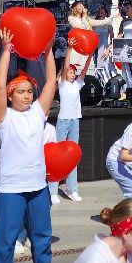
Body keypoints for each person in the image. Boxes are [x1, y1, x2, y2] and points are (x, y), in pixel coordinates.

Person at [0, 27, 58, 263]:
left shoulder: (38, 114)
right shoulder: (4, 118)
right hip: (11, 189)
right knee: (3, 244)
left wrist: (48, 50)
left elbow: (51, 80)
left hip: (38, 188)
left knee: (42, 241)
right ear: (11, 96)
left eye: (29, 91)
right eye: (21, 92)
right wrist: (6, 51)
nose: (26, 96)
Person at [54, 63, 86, 204]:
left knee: (73, 155)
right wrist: (69, 49)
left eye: (74, 72)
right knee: (58, 156)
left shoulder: (77, 84)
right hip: (63, 122)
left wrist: (90, 54)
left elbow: (84, 70)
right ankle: (52, 190)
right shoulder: (62, 84)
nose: (73, 74)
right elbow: (65, 65)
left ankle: (72, 189)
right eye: (70, 72)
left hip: (74, 121)